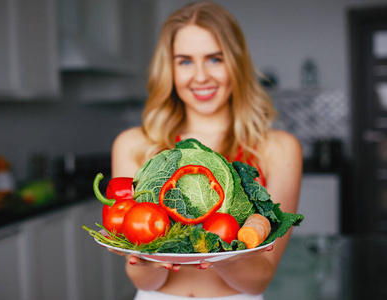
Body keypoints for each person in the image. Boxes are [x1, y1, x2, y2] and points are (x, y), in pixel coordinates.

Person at [111, 1, 303, 299]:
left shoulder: (279, 149)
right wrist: (148, 261)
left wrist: (219, 253)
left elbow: (259, 280)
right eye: (184, 61)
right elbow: (143, 281)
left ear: (236, 63)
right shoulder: (134, 146)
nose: (200, 76)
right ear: (170, 69)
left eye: (214, 59)